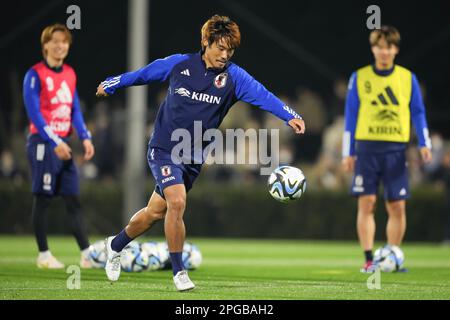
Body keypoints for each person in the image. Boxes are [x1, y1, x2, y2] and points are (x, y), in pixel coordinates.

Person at [96, 14, 305, 291]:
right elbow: (143, 74)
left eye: (230, 49)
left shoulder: (234, 77)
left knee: (155, 212)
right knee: (177, 201)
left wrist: (289, 115)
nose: (225, 54)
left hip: (192, 157)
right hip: (163, 149)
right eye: (221, 47)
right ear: (206, 42)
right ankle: (179, 272)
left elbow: (263, 95)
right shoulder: (179, 64)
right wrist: (113, 82)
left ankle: (115, 244)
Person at [342, 26, 432, 273]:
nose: (384, 51)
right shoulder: (359, 77)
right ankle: (369, 260)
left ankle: (393, 256)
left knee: (396, 206)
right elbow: (350, 115)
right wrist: (347, 151)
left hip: (395, 149)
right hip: (367, 149)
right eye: (380, 46)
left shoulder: (407, 77)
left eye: (389, 47)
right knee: (367, 203)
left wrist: (425, 143)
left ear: (396, 50)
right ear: (373, 49)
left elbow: (418, 112)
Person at [23, 24, 95, 269]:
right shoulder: (34, 74)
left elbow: (74, 108)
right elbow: (34, 115)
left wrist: (85, 136)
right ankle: (43, 255)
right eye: (55, 41)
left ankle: (87, 255)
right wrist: (54, 142)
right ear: (45, 46)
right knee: (42, 199)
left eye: (64, 41)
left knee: (73, 199)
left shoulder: (70, 73)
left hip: (63, 144)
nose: (60, 45)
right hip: (43, 143)